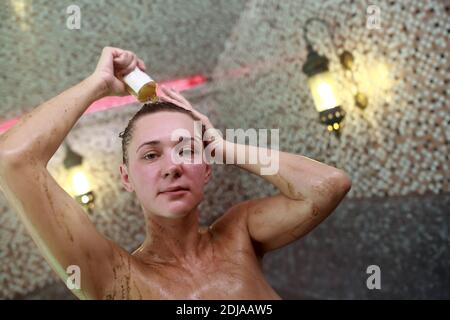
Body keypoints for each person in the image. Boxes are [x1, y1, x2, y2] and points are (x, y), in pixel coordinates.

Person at [0, 47, 352, 299]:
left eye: (186, 150)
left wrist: (221, 145)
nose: (173, 166)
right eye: (151, 155)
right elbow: (12, 158)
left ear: (206, 170)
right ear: (126, 178)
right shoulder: (115, 278)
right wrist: (98, 85)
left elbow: (328, 186)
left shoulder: (239, 232)